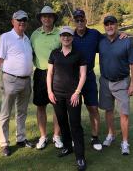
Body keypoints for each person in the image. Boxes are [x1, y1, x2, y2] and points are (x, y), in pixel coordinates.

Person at [72, 9, 129, 151]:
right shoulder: (69, 35)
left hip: (89, 76)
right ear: (74, 21)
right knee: (74, 108)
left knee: (93, 107)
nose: (80, 22)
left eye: (82, 19)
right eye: (77, 20)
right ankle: (75, 137)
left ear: (85, 20)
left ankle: (95, 137)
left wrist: (122, 34)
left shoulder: (94, 34)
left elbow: (110, 38)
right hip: (73, 77)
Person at [0, 10, 34, 156]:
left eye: (24, 20)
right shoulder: (6, 37)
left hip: (26, 81)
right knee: (5, 113)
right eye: (19, 20)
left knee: (22, 112)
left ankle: (21, 138)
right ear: (13, 21)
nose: (22, 22)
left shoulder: (26, 39)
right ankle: (4, 143)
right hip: (10, 80)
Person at [47, 26, 87, 171]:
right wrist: (49, 91)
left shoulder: (78, 54)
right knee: (63, 122)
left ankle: (80, 157)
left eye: (68, 35)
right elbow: (50, 74)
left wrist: (77, 92)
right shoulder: (54, 53)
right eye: (63, 35)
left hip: (73, 95)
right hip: (57, 94)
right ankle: (67, 147)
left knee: (75, 125)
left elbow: (83, 74)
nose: (66, 38)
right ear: (60, 37)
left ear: (72, 38)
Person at [98, 15, 133, 155]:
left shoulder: (126, 41)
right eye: (107, 24)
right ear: (104, 26)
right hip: (105, 81)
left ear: (117, 25)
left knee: (124, 113)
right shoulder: (101, 40)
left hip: (122, 82)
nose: (109, 26)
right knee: (108, 110)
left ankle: (125, 142)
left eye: (112, 24)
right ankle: (111, 134)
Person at [30, 6, 63, 149]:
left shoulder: (60, 33)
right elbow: (28, 53)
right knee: (41, 106)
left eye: (50, 16)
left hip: (58, 74)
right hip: (40, 73)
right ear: (40, 18)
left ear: (54, 18)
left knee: (58, 107)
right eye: (44, 16)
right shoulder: (35, 35)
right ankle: (43, 137)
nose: (47, 18)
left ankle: (57, 136)